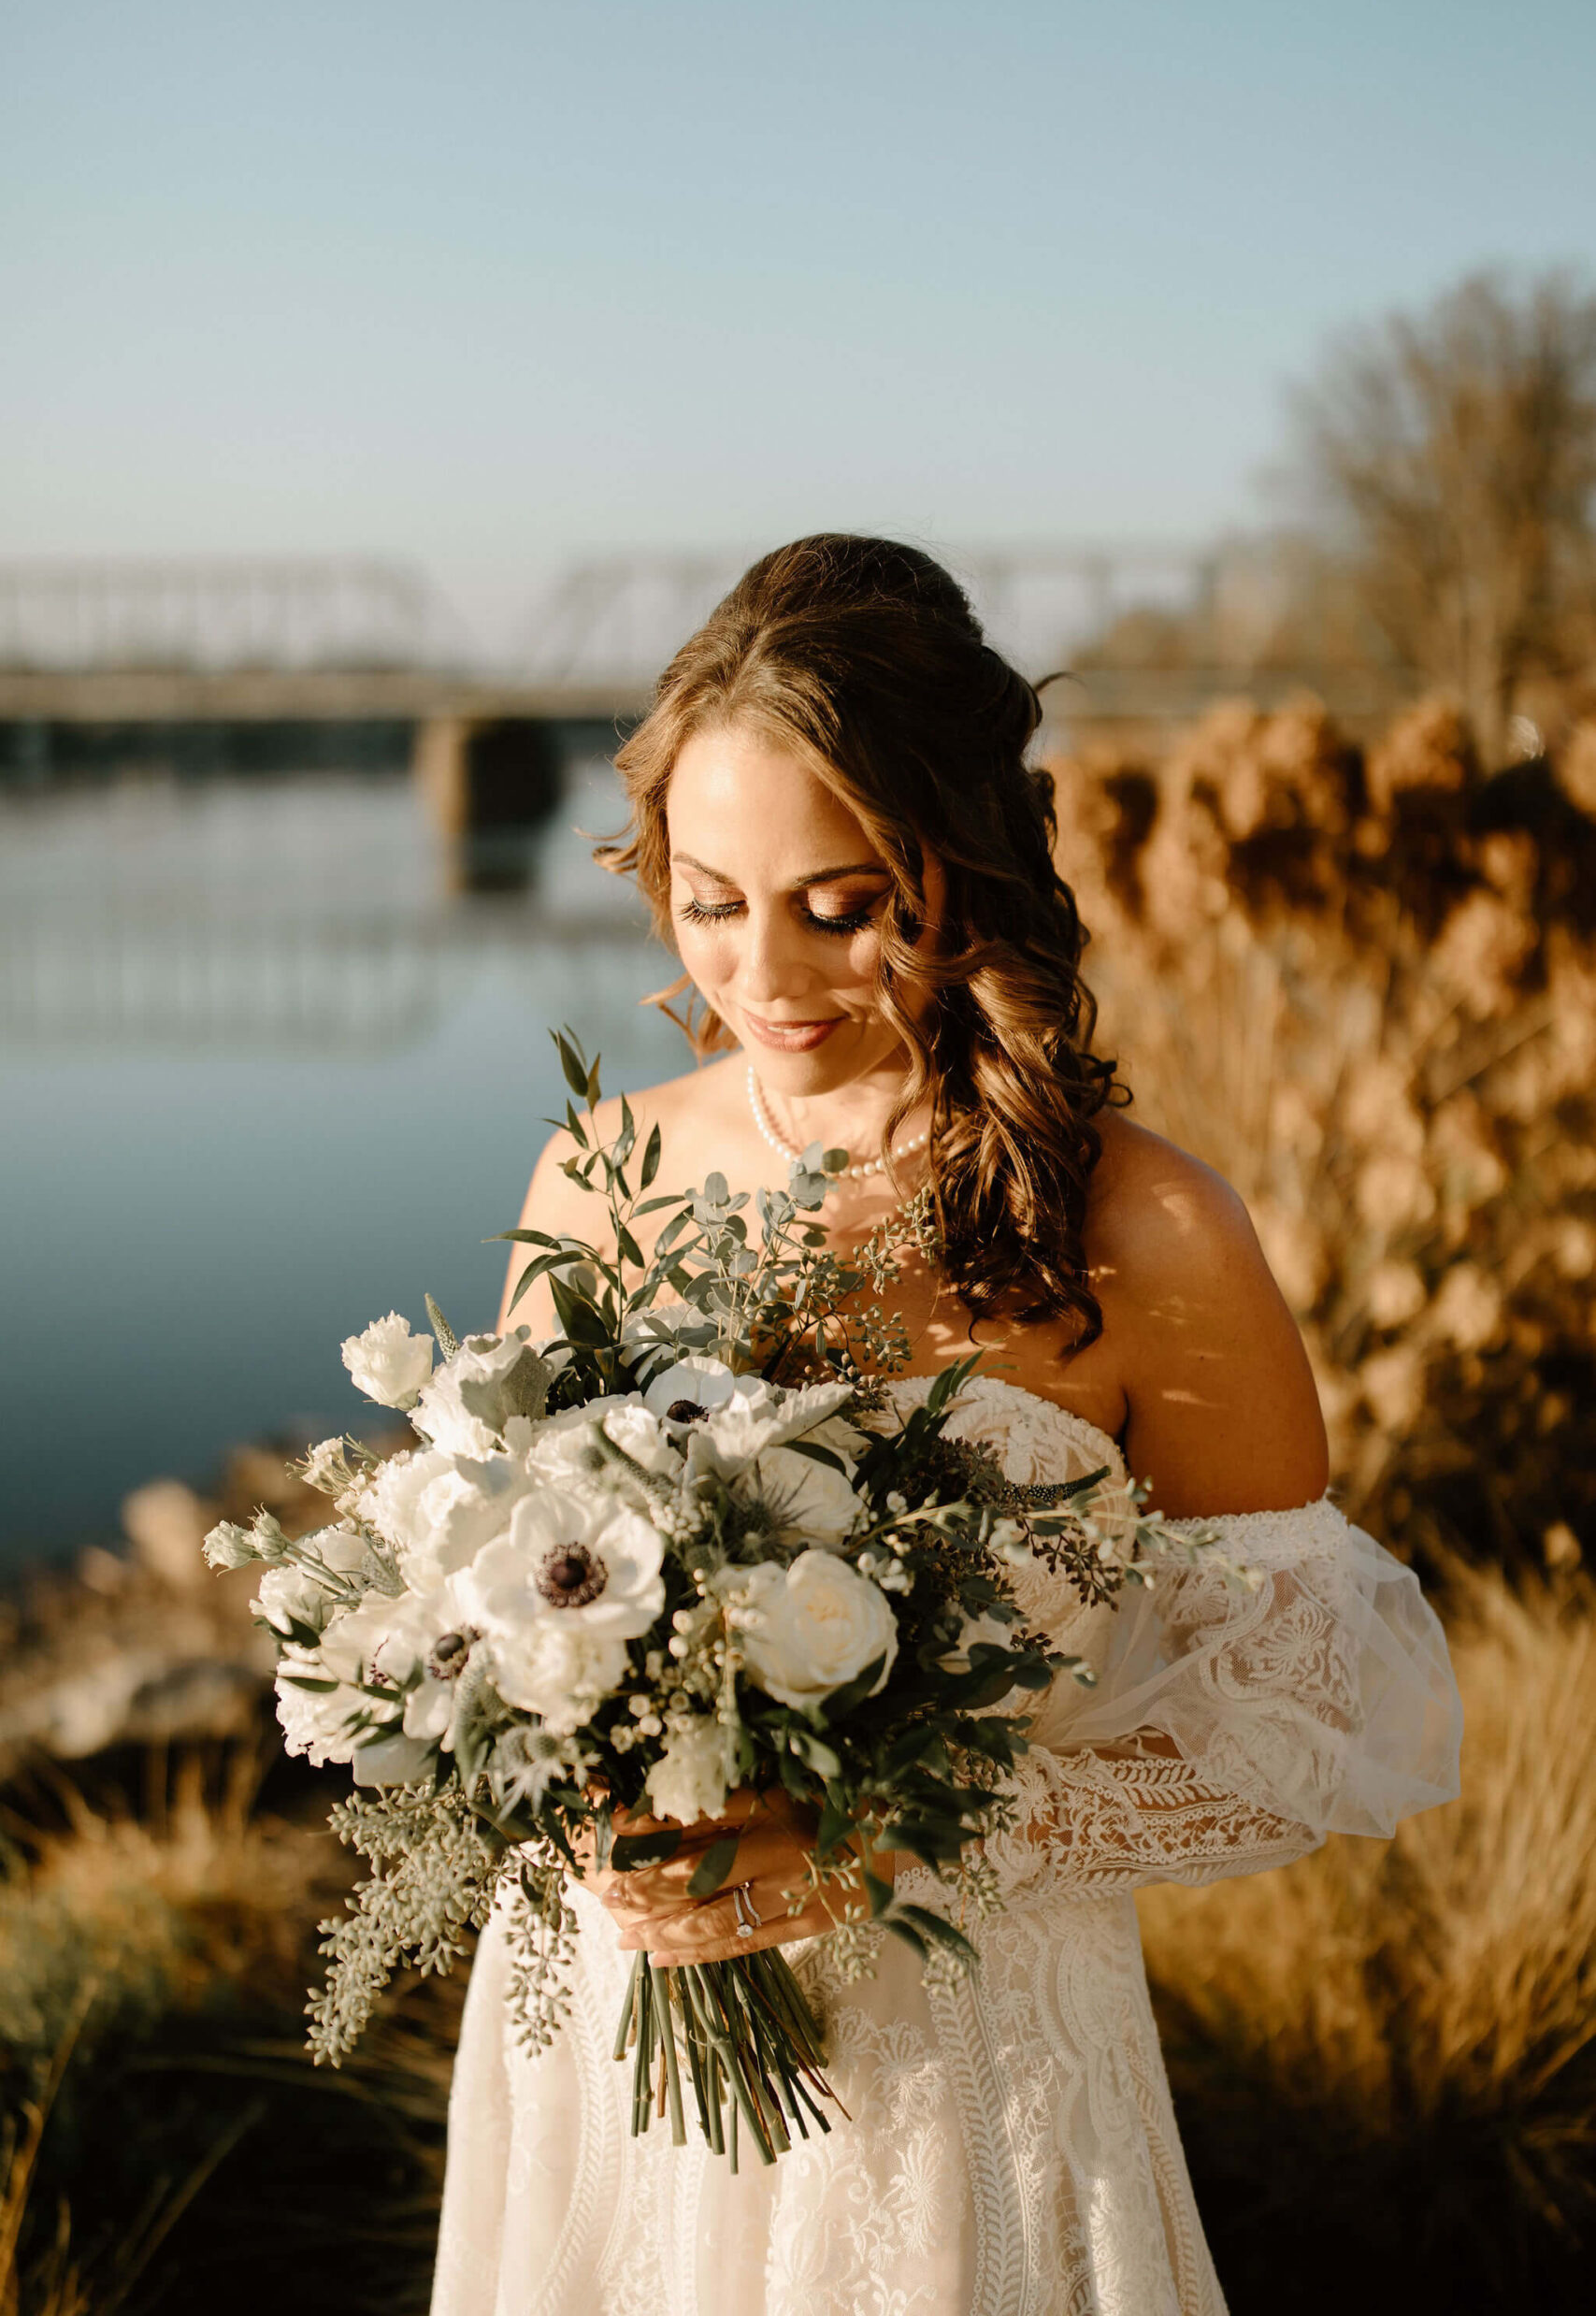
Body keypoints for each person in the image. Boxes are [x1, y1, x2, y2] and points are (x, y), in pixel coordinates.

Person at [429, 535, 1462, 2316]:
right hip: (609, 2044)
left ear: (964, 860)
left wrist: (896, 1834)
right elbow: (502, 1594)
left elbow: (1310, 1718)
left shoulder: (1142, 1229)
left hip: (961, 2072)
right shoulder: (602, 1168)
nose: (767, 974)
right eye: (708, 899)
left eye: (841, 903)